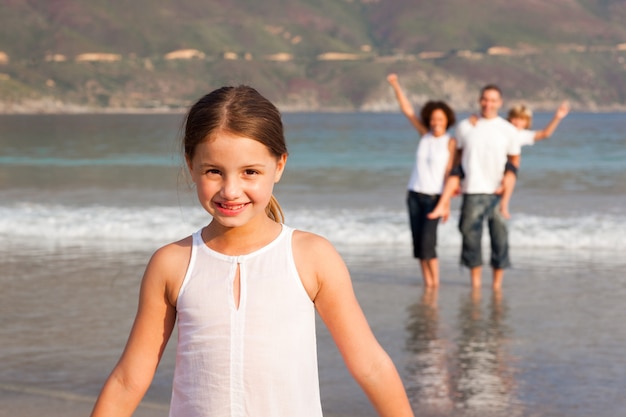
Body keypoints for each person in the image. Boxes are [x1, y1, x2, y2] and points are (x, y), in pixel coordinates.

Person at [90, 85, 415, 417]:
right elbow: (129, 380)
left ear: (279, 166)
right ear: (191, 165)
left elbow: (370, 366)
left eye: (250, 172)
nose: (231, 191)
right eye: (214, 171)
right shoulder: (173, 263)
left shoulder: (310, 257)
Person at [429, 84, 521, 290]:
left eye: (493, 100)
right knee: (470, 239)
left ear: (500, 103)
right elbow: (457, 157)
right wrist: (452, 184)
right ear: (480, 100)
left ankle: (497, 286)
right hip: (471, 189)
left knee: (500, 240)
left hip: (497, 192)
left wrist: (507, 186)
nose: (488, 104)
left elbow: (514, 160)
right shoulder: (465, 127)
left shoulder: (507, 130)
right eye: (485, 99)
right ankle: (476, 286)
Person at [387, 73, 457, 288]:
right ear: (429, 119)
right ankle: (427, 283)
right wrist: (396, 85)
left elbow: (450, 175)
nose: (437, 123)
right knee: (418, 245)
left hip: (434, 198)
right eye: (434, 119)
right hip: (414, 195)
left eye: (441, 119)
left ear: (447, 120)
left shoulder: (450, 142)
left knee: (429, 244)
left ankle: (435, 284)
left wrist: (446, 205)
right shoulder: (424, 135)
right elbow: (407, 110)